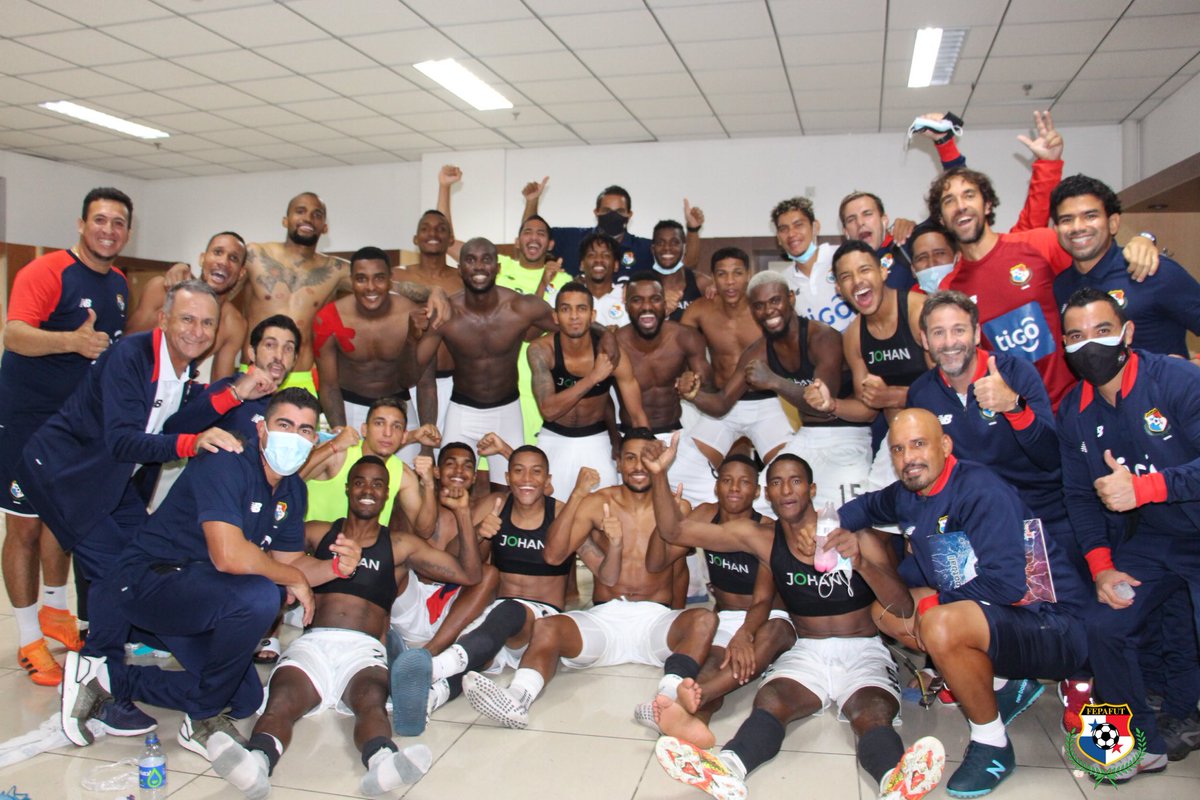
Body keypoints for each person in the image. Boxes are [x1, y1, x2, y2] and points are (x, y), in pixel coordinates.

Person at [22, 280, 269, 731]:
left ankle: (126, 649)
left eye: (207, 323)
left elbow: (172, 421)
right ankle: (97, 684)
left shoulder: (182, 370)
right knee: (119, 572)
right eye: (187, 319)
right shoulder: (131, 356)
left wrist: (234, 394)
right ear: (164, 319)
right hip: (67, 477)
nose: (197, 331)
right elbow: (121, 440)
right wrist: (194, 444)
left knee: (144, 560)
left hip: (114, 484)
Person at [652, 448, 946, 800]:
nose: (786, 489)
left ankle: (894, 781)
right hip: (808, 649)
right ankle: (728, 769)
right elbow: (673, 531)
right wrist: (659, 474)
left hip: (864, 648)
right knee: (771, 701)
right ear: (768, 493)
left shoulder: (860, 535)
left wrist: (861, 561)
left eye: (795, 481)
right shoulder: (762, 538)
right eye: (776, 482)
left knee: (871, 712)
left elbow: (900, 607)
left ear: (811, 488)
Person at [58, 389, 317, 758]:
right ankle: (201, 718)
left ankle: (106, 680)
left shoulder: (294, 489)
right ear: (262, 430)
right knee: (263, 594)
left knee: (245, 698)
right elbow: (229, 555)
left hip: (199, 595)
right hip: (147, 582)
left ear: (314, 439)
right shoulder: (227, 461)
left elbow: (291, 564)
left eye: (305, 430)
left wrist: (337, 565)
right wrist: (294, 579)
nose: (294, 437)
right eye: (285, 425)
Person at [208, 455, 486, 797]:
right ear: (347, 489)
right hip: (313, 643)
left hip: (364, 650)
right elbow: (266, 550)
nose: (368, 490)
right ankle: (257, 762)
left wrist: (462, 513)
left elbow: (470, 574)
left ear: (387, 496)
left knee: (370, 701)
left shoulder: (399, 545)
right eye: (360, 482)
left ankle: (383, 764)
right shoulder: (318, 532)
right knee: (282, 698)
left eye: (378, 484)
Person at [846, 409, 1088, 797]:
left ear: (945, 446)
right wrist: (820, 529)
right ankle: (1005, 683)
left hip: (1053, 624)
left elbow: (1007, 584)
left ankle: (993, 744)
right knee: (887, 613)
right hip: (1000, 619)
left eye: (919, 444)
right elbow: (863, 508)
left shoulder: (980, 490)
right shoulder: (911, 492)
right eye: (897, 449)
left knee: (937, 622)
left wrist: (934, 606)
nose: (908, 458)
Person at [461, 431, 719, 729]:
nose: (638, 466)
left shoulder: (678, 506)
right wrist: (579, 496)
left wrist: (676, 618)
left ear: (658, 461)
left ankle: (665, 702)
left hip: (655, 619)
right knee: (547, 626)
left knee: (702, 620)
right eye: (630, 458)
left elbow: (676, 569)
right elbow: (555, 556)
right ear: (618, 463)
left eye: (646, 458)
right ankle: (517, 698)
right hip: (605, 617)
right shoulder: (598, 503)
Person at [1056, 288, 1200, 777]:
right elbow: (1079, 496)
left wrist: (1147, 488)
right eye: (1075, 337)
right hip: (1157, 542)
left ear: (1127, 334)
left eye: (1101, 332)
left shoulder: (1176, 379)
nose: (1088, 346)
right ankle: (1131, 746)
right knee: (1102, 624)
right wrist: (1101, 567)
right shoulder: (1074, 410)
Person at [925, 112, 1158, 408]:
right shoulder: (950, 287)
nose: (960, 206)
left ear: (987, 204)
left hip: (1085, 401)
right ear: (942, 219)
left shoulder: (1038, 244)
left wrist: (1143, 242)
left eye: (969, 195)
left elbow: (1099, 264)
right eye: (949, 201)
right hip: (1021, 414)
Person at [389, 446, 623, 734]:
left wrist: (616, 545)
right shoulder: (495, 504)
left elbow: (606, 575)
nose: (527, 478)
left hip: (539, 624)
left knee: (507, 611)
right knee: (476, 655)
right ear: (507, 476)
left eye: (536, 472)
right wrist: (478, 532)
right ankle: (427, 699)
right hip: (497, 627)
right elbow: (454, 559)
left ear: (547, 478)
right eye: (519, 470)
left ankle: (432, 667)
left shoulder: (561, 513)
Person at [0, 187, 132, 685]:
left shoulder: (119, 284)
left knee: (62, 524)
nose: (108, 230)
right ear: (81, 224)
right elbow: (14, 333)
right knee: (25, 529)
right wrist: (71, 341)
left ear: (127, 232)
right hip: (26, 423)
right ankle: (29, 637)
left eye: (118, 223)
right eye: (100, 220)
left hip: (77, 428)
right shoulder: (46, 272)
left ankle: (57, 613)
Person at [641, 440, 797, 746]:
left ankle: (690, 705)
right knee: (712, 667)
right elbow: (656, 561)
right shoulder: (704, 514)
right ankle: (692, 726)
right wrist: (667, 514)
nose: (734, 488)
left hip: (768, 618)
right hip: (726, 616)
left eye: (744, 482)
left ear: (757, 491)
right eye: (727, 480)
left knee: (769, 633)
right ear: (717, 487)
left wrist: (747, 633)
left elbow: (764, 599)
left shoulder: (768, 528)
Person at [401, 237, 580, 485]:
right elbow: (411, 376)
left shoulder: (521, 306)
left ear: (497, 267)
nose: (479, 267)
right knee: (450, 487)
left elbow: (572, 327)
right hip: (462, 412)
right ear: (460, 268)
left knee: (516, 490)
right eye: (470, 260)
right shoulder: (446, 313)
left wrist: (605, 334)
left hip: (507, 411)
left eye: (486, 260)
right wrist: (412, 337)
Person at [241, 192, 448, 396]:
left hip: (300, 377)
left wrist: (434, 290)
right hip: (254, 371)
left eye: (317, 214)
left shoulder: (334, 269)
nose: (308, 218)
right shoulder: (255, 256)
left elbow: (387, 285)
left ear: (325, 227)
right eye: (300, 211)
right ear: (286, 220)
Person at [685, 271, 849, 509]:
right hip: (810, 434)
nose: (768, 311)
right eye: (759, 305)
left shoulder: (823, 337)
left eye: (775, 301)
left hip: (845, 432)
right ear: (753, 310)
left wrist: (774, 381)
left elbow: (823, 407)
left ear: (791, 298)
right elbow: (722, 403)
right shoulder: (759, 351)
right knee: (765, 497)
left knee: (798, 493)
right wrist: (692, 394)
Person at [804, 241, 930, 492]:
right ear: (839, 289)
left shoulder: (920, 312)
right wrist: (831, 404)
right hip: (898, 440)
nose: (857, 281)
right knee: (872, 514)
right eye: (847, 276)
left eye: (864, 270)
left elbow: (951, 390)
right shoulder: (854, 336)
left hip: (942, 429)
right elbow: (868, 408)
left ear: (883, 272)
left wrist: (894, 395)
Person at [1051, 174, 1200, 357]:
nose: (1077, 227)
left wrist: (1190, 370)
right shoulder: (1062, 286)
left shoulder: (1154, 271)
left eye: (1090, 216)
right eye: (1067, 219)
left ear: (1113, 223)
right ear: (1056, 230)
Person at [528, 282, 648, 500]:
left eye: (581, 309)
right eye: (566, 309)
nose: (574, 316)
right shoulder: (541, 350)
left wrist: (646, 450)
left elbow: (637, 414)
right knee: (549, 513)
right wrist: (594, 377)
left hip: (596, 440)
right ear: (555, 317)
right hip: (553, 437)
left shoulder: (611, 353)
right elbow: (548, 410)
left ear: (592, 315)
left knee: (603, 515)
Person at [680, 249, 798, 471]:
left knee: (787, 468)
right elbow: (677, 345)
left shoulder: (764, 310)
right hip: (722, 406)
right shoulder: (700, 310)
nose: (730, 281)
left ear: (749, 274)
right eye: (722, 274)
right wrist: (688, 375)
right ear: (713, 278)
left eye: (737, 273)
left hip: (766, 403)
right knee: (691, 468)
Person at [616, 272, 719, 506]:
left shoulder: (685, 337)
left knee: (715, 499)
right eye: (637, 300)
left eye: (654, 299)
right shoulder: (616, 342)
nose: (647, 307)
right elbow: (604, 399)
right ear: (626, 303)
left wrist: (694, 381)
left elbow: (710, 385)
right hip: (630, 437)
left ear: (665, 302)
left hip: (673, 435)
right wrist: (615, 442)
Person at [315, 247, 436, 438]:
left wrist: (427, 444)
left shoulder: (412, 315)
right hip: (351, 410)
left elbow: (425, 383)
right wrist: (339, 430)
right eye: (361, 278)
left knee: (407, 468)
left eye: (379, 278)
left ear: (390, 279)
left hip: (400, 406)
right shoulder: (329, 319)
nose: (370, 287)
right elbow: (328, 385)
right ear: (351, 280)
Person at [303, 396, 438, 537]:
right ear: (364, 430)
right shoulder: (339, 453)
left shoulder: (403, 473)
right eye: (379, 423)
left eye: (396, 426)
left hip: (364, 555)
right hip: (316, 546)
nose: (388, 433)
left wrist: (429, 485)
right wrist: (333, 446)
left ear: (404, 436)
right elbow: (290, 477)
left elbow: (424, 532)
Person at [126, 230, 248, 382]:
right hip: (128, 382)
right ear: (202, 259)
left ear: (241, 272)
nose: (223, 262)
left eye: (233, 258)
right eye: (217, 252)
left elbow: (220, 388)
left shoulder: (233, 324)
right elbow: (123, 344)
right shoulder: (162, 290)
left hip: (171, 397)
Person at [520, 178, 703, 279]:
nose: (613, 216)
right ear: (596, 212)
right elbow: (532, 236)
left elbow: (687, 265)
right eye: (607, 211)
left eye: (619, 211)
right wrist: (532, 201)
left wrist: (692, 231)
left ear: (629, 215)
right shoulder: (572, 238)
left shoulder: (644, 248)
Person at [495, 213, 573, 445]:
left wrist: (545, 282)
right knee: (494, 462)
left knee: (537, 459)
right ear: (517, 241)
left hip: (541, 381)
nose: (533, 238)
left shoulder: (564, 281)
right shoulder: (498, 268)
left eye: (541, 234)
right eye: (527, 232)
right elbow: (452, 243)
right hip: (500, 380)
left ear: (550, 245)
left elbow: (535, 326)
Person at [769, 196, 853, 332]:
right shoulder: (783, 283)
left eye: (798, 225)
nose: (791, 234)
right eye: (784, 229)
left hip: (858, 350)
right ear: (778, 238)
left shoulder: (844, 256)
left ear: (815, 227)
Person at [651, 219, 712, 321]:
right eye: (660, 243)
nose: (667, 248)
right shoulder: (642, 284)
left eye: (675, 243)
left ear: (684, 247)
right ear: (652, 249)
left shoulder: (701, 282)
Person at [578, 233, 630, 328]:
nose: (598, 259)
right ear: (581, 265)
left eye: (606, 255)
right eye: (591, 255)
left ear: (616, 265)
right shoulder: (569, 297)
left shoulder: (627, 298)